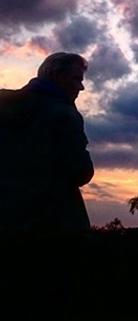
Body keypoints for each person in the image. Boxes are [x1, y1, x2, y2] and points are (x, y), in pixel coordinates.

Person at [0, 52, 94, 236]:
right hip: (53, 229)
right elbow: (81, 172)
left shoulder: (4, 107)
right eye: (76, 79)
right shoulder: (63, 114)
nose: (81, 87)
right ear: (56, 76)